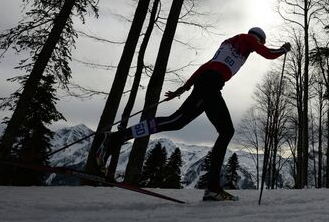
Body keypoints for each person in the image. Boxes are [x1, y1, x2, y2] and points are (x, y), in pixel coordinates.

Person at [96, 27, 290, 201]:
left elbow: (206, 65)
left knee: (180, 123)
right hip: (211, 86)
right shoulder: (248, 40)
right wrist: (282, 50)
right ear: (259, 39)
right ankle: (114, 140)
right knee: (210, 128)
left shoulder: (229, 43)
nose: (258, 46)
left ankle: (116, 139)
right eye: (259, 43)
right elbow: (267, 53)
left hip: (207, 83)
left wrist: (184, 88)